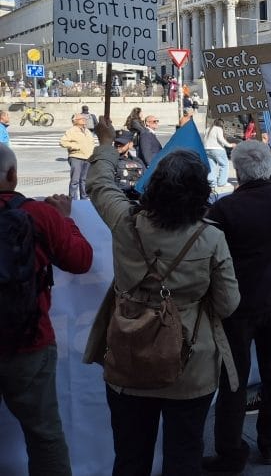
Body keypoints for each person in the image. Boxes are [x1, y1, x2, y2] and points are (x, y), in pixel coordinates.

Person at [84, 119, 240, 475]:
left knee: (130, 457)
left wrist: (106, 143)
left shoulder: (125, 222)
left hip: (128, 355)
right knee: (184, 457)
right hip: (190, 360)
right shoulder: (211, 239)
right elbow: (229, 304)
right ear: (199, 192)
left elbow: (99, 183)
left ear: (153, 187)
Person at [203, 141, 271, 471]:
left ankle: (230, 452)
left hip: (237, 306)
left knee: (233, 381)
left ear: (237, 171)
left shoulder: (224, 209)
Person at [0, 143, 93, 475]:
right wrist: (65, 220)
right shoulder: (39, 215)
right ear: (13, 174)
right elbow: (81, 260)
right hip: (31, 342)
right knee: (44, 436)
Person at [59, 114, 93, 200]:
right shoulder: (71, 131)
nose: (84, 120)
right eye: (82, 119)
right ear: (75, 121)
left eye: (85, 119)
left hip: (88, 158)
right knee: (75, 180)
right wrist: (75, 146)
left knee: (84, 180)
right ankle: (73, 199)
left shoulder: (87, 131)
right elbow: (63, 142)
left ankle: (84, 198)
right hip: (76, 157)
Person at [112, 130, 145, 199]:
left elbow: (145, 179)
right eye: (116, 143)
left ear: (130, 144)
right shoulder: (110, 161)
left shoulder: (137, 161)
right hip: (118, 199)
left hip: (138, 199)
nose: (118, 145)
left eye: (122, 143)